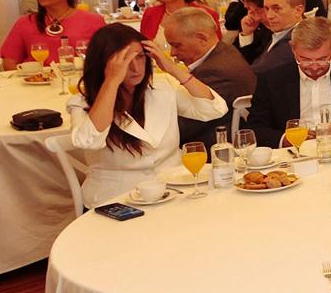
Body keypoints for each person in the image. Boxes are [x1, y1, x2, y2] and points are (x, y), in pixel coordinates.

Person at [66, 22, 228, 208]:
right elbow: (88, 140)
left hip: (174, 190)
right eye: (125, 61)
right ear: (105, 64)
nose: (136, 68)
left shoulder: (162, 87)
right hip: (116, 199)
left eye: (140, 58)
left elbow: (214, 109)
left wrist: (173, 69)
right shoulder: (82, 102)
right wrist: (111, 81)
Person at [243, 17, 331, 149]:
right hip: (294, 156)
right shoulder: (272, 79)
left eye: (322, 59)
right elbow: (256, 126)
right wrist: (286, 139)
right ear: (293, 48)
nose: (314, 67)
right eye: (305, 59)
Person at [162, 6, 254, 145]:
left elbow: (182, 128)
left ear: (201, 38)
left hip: (210, 149)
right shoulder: (225, 51)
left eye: (177, 45)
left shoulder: (216, 71)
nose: (172, 53)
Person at [0, 0, 104, 65]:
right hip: (37, 81)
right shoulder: (25, 22)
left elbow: (108, 58)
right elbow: (9, 61)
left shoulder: (93, 20)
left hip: (78, 80)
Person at [250, 0, 310, 73]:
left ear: (298, 10)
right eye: (267, 9)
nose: (269, 16)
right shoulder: (281, 33)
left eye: (277, 9)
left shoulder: (297, 41)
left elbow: (257, 73)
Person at [229, 0, 274, 65]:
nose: (245, 6)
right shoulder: (255, 23)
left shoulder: (279, 29)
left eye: (247, 1)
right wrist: (246, 34)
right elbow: (234, 58)